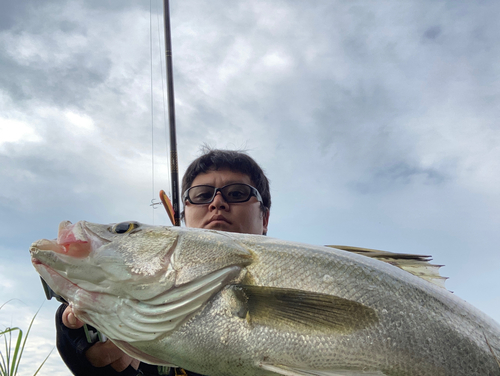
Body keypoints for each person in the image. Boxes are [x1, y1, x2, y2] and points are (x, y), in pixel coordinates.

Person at [55, 149, 271, 376]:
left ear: (264, 218)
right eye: (201, 195)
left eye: (237, 193)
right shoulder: (150, 313)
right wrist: (85, 346)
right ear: (184, 218)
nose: (217, 202)